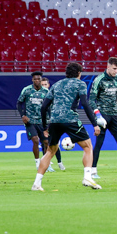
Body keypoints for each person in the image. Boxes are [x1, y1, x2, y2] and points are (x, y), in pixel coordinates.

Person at [34, 62, 106, 191]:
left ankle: (37, 183)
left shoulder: (56, 84)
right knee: (88, 146)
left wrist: (45, 126)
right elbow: (85, 103)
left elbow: (44, 106)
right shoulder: (80, 84)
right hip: (70, 119)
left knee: (50, 151)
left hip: (54, 121)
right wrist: (95, 124)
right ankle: (88, 177)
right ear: (79, 73)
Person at [89, 57, 117, 180]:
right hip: (103, 115)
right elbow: (91, 100)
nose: (116, 71)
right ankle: (93, 171)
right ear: (108, 67)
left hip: (115, 115)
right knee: (99, 143)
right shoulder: (99, 80)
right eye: (114, 69)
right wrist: (98, 115)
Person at [18, 71, 53, 171]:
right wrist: (23, 116)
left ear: (41, 80)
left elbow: (50, 107)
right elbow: (19, 103)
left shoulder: (46, 92)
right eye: (35, 79)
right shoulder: (27, 90)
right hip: (30, 121)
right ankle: (38, 163)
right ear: (32, 80)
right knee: (35, 140)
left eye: (39, 79)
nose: (37, 81)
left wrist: (50, 120)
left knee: (46, 142)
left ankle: (46, 163)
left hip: (43, 121)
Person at [42, 77, 65, 170]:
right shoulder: (39, 96)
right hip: (43, 123)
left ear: (49, 85)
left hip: (53, 122)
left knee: (54, 143)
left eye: (45, 84)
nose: (44, 86)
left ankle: (59, 162)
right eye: (42, 84)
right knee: (45, 143)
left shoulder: (54, 95)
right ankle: (47, 165)